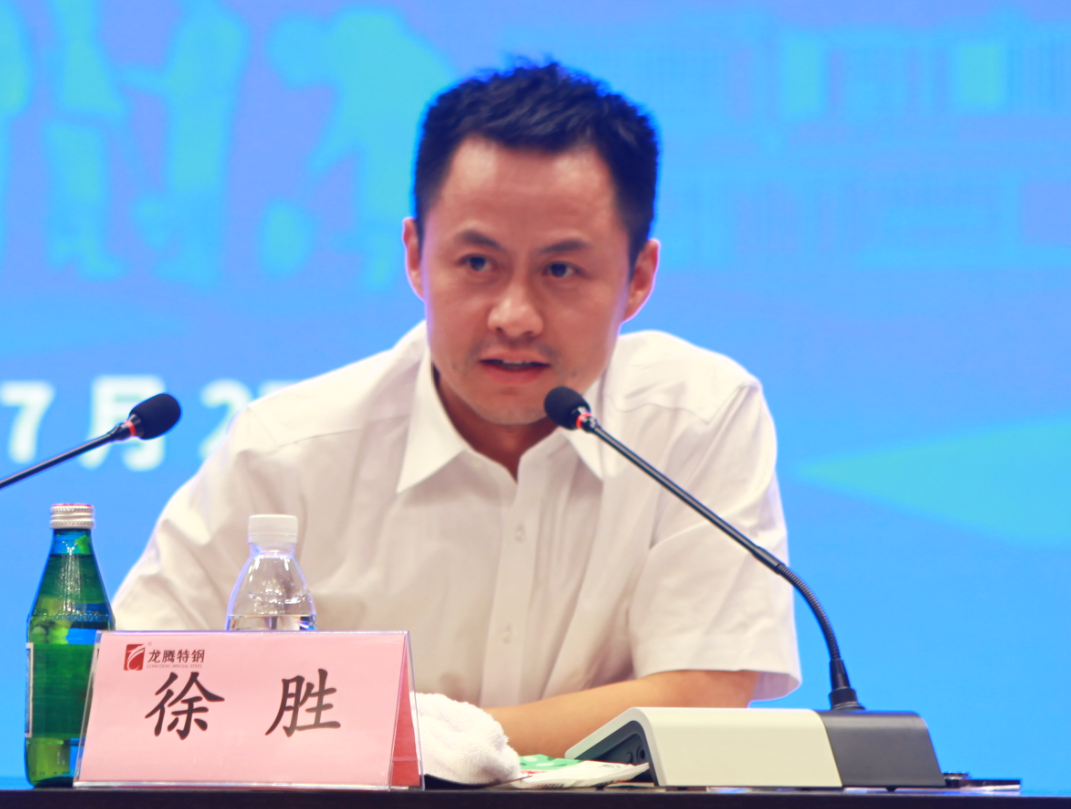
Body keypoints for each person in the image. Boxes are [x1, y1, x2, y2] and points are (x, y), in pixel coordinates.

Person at [114, 62, 800, 757]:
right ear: (415, 256)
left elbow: (702, 693)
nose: (514, 316)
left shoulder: (695, 418)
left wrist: (398, 741)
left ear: (639, 279)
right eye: (477, 263)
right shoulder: (285, 452)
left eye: (561, 270)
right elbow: (131, 689)